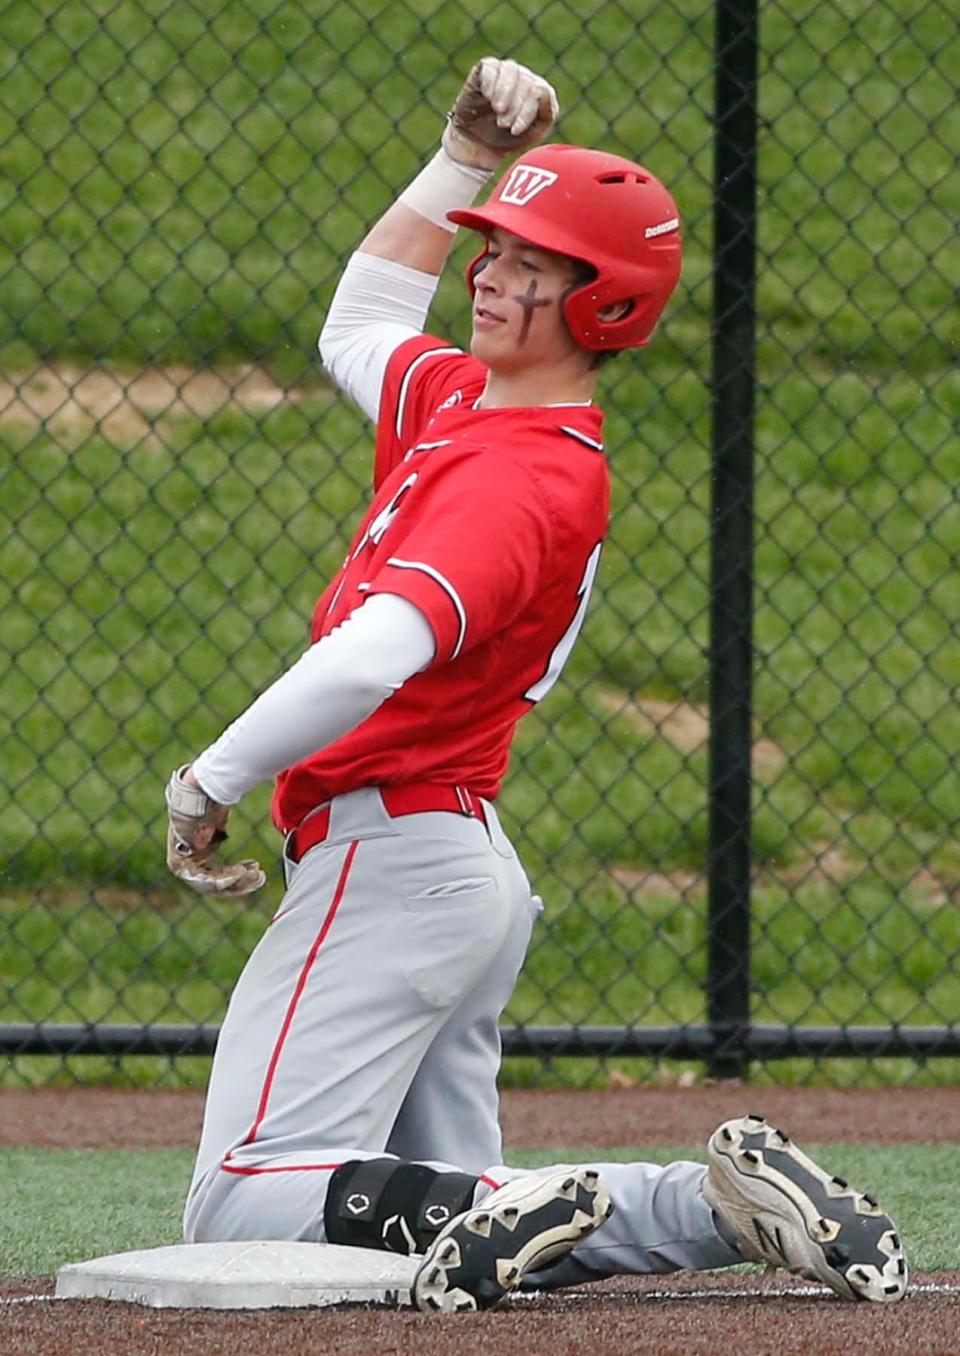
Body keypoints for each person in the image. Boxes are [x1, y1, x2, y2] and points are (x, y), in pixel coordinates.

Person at [164, 58, 907, 1312]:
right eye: (493, 249)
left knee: (244, 1195)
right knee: (458, 1205)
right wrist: (460, 156)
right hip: (445, 868)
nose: (491, 274)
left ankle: (500, 1209)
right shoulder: (468, 404)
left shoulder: (526, 476)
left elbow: (374, 655)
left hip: (389, 859)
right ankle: (707, 1206)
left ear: (604, 304)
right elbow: (356, 322)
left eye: (534, 264)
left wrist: (206, 780)